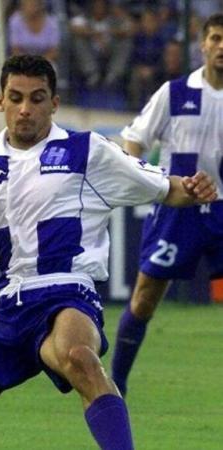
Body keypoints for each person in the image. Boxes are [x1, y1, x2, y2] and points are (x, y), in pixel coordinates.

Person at [0, 54, 217, 450]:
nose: (26, 109)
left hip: (67, 292)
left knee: (79, 357)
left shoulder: (87, 150)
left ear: (54, 103)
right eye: (16, 97)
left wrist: (192, 190)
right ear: (0, 101)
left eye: (38, 98)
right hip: (5, 307)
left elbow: (164, 187)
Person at [111, 13, 223, 397]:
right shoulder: (174, 92)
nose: (222, 47)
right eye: (216, 38)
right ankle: (116, 385)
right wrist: (147, 181)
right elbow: (135, 140)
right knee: (145, 298)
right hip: (179, 209)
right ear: (203, 44)